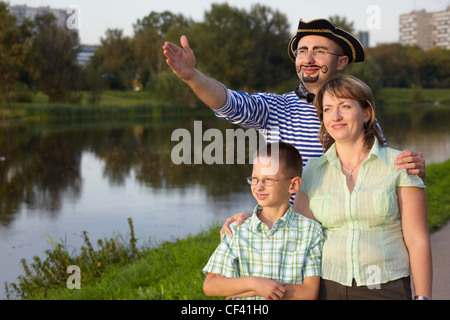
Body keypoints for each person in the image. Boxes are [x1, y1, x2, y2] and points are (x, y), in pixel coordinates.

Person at [224, 75, 433, 300]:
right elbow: (296, 230)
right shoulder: (313, 170)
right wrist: (255, 220)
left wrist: (423, 298)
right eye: (328, 109)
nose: (336, 116)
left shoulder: (400, 165)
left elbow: (417, 239)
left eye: (345, 106)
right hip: (326, 288)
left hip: (384, 287)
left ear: (366, 113)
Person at [163, 18, 425, 177]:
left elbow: (380, 169)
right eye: (302, 51)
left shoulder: (357, 113)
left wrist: (409, 168)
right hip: (293, 241)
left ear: (342, 61)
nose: (308, 59)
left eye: (319, 51)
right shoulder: (275, 108)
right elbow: (228, 102)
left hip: (342, 239)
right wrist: (192, 76)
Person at [202, 142, 324, 300]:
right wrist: (254, 284)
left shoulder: (310, 231)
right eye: (255, 179)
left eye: (268, 180)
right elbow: (211, 285)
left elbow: (309, 293)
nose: (258, 187)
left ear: (293, 185)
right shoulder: (237, 230)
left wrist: (254, 289)